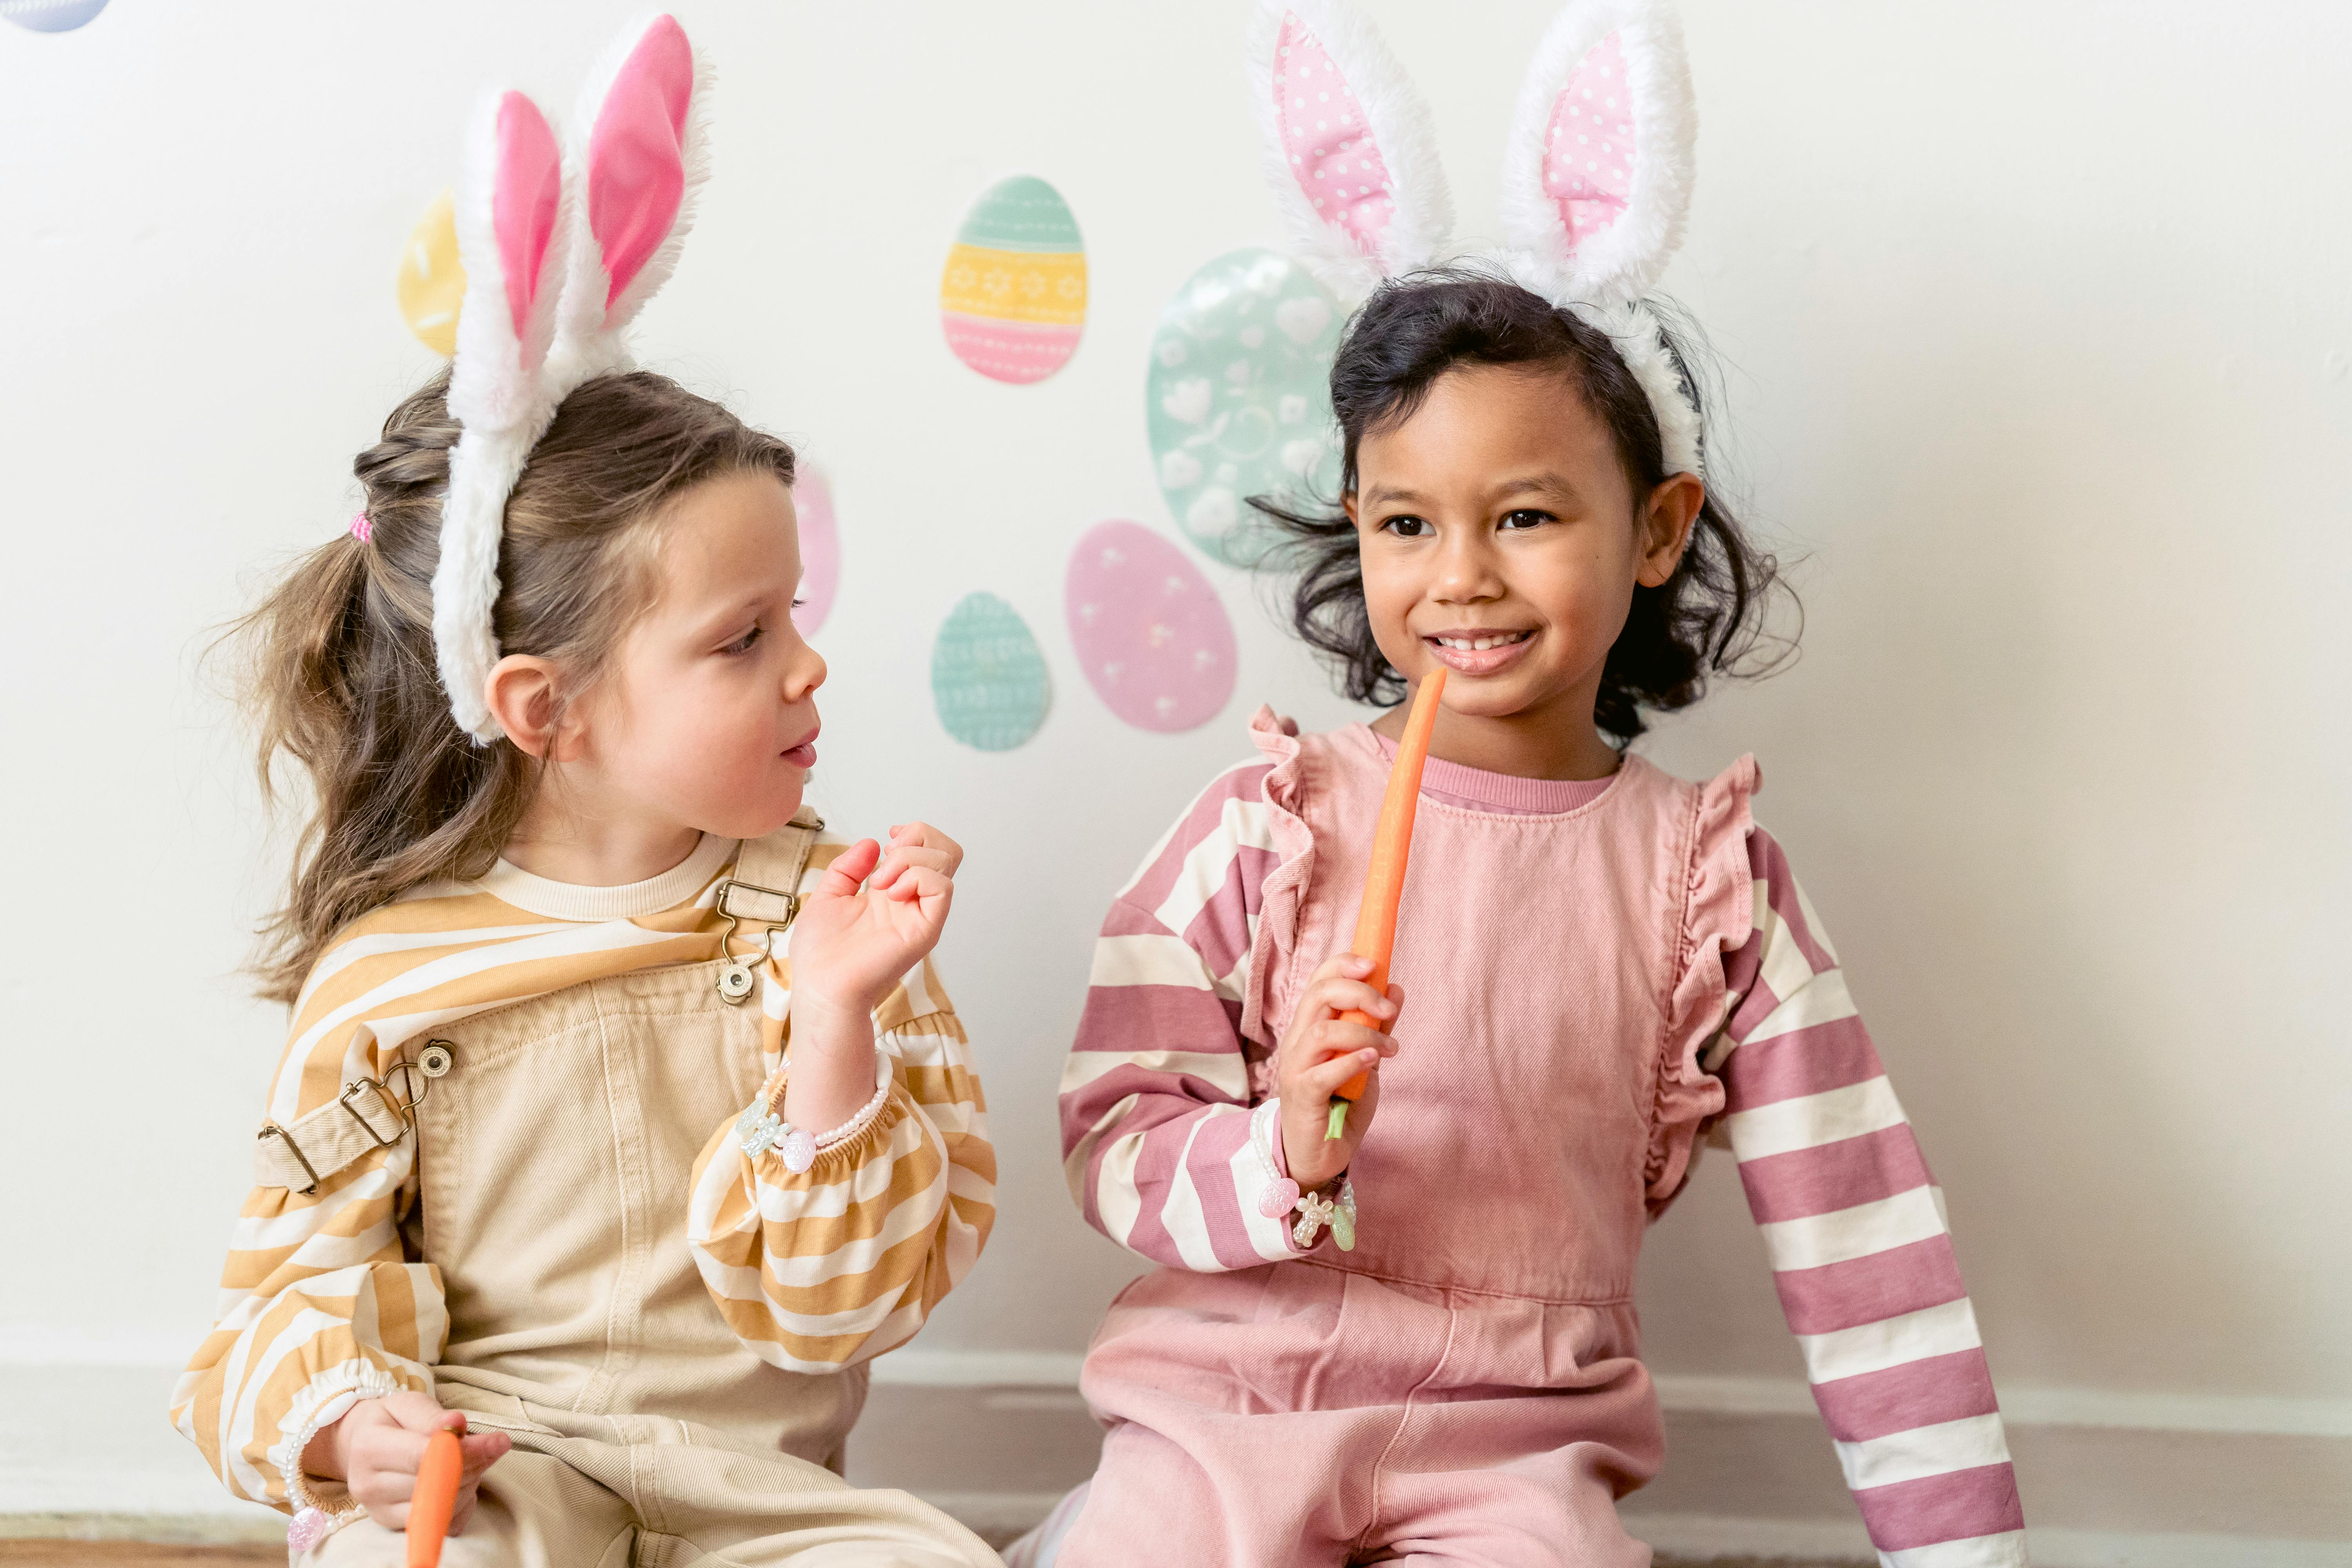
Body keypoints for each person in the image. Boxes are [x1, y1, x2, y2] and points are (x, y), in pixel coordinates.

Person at [1038, 2, 2026, 1563]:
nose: (1461, 579)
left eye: (1526, 516)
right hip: (1218, 1410)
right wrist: (1275, 1145)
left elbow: (1862, 1229)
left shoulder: (1710, 881)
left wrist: (1962, 1549)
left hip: (1517, 1448)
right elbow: (1108, 1134)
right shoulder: (1259, 830)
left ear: (1652, 530)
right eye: (1406, 524)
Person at [170, 18, 998, 1566]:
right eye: (744, 639)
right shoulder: (388, 978)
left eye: (797, 613)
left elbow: (849, 1308)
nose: (810, 668)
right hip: (500, 1478)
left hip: (764, 1502)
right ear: (545, 708)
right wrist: (354, 1425)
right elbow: (273, 1314)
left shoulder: (830, 929)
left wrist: (833, 1023)